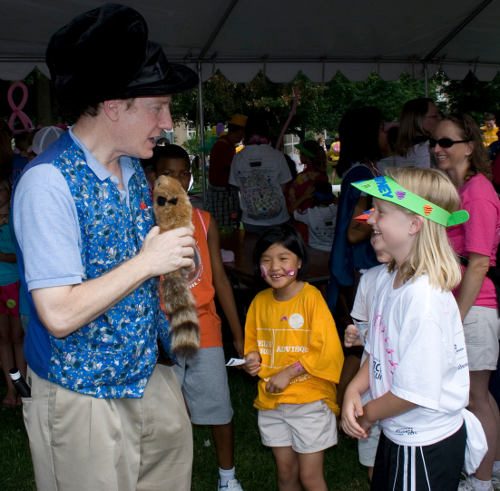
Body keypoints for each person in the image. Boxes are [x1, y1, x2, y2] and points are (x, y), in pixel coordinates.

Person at [12, 5, 199, 490]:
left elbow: (139, 265)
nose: (169, 123)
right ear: (114, 105)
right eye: (158, 107)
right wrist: (147, 262)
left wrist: (175, 263)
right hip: (80, 395)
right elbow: (57, 312)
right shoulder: (47, 184)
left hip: (146, 376)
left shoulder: (133, 170)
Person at [342, 167, 473, 490]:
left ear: (414, 224)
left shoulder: (422, 299)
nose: (371, 220)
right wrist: (354, 389)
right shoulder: (390, 280)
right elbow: (375, 350)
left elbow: (414, 392)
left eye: (381, 212)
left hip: (423, 443)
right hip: (399, 431)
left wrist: (367, 413)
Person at [144, 143, 245, 491]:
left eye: (183, 173)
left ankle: (227, 477)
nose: (176, 180)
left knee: (218, 405)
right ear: (152, 177)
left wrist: (237, 332)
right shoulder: (144, 221)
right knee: (165, 414)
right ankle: (166, 476)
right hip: (162, 331)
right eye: (167, 173)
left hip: (206, 329)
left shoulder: (204, 220)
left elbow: (219, 278)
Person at [243, 224, 344, 491]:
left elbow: (326, 349)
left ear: (298, 261)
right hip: (271, 402)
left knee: (310, 477)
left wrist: (288, 372)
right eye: (266, 260)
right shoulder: (259, 302)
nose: (274, 267)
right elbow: (253, 344)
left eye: (283, 258)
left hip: (308, 402)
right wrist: (252, 360)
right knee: (286, 475)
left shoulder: (311, 298)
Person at [432, 114, 500, 491]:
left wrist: (456, 318)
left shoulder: (478, 192)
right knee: (480, 395)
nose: (437, 148)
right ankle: (492, 469)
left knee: (475, 397)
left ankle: (481, 480)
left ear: (470, 147)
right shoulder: (459, 190)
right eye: (435, 142)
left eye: (446, 142)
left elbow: (478, 262)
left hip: (474, 308)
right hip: (464, 306)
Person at [327, 106, 384, 408]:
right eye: (382, 128)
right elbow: (353, 230)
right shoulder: (365, 174)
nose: (387, 134)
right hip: (361, 270)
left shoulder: (363, 169)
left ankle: (339, 409)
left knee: (357, 346)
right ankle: (339, 410)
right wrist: (381, 215)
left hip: (356, 269)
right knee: (358, 347)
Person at [229, 116, 292, 235]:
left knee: (254, 252)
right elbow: (284, 186)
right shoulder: (277, 156)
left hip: (251, 220)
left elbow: (236, 186)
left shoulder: (238, 158)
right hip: (278, 219)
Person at [0, 176, 24, 408]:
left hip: (13, 286)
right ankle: (10, 389)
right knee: (3, 339)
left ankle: (22, 388)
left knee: (17, 338)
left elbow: (23, 254)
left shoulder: (15, 222)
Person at [207, 114, 247, 230]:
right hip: (223, 194)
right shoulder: (223, 146)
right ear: (239, 132)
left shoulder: (226, 145)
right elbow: (231, 170)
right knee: (225, 227)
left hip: (223, 193)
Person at [388, 97, 441, 169]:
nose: (440, 119)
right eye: (434, 116)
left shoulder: (400, 150)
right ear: (418, 120)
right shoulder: (426, 148)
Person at [286, 140, 329, 214]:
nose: (299, 155)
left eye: (301, 153)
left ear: (306, 156)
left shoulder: (303, 177)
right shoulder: (322, 175)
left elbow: (291, 207)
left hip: (301, 217)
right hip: (316, 217)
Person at [293, 181, 337, 252]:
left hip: (314, 248)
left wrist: (304, 196)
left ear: (313, 196)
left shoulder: (309, 213)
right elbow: (339, 201)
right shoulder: (337, 210)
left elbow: (291, 210)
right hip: (333, 248)